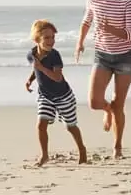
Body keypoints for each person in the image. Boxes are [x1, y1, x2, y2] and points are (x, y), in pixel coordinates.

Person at [75, 0, 131, 159]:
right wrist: (80, 42)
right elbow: (87, 21)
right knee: (94, 102)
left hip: (125, 57)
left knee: (119, 103)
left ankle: (117, 146)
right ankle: (107, 110)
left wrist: (109, 28)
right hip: (102, 55)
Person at [25, 19, 88, 167]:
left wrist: (41, 68)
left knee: (70, 126)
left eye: (53, 37)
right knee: (41, 124)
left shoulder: (55, 55)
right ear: (37, 39)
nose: (51, 41)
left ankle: (82, 149)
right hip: (45, 96)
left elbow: (58, 77)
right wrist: (30, 80)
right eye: (46, 38)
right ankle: (45, 155)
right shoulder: (31, 55)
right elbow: (36, 69)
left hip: (63, 96)